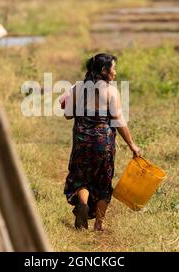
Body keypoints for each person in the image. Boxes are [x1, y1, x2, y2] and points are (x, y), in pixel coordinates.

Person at [63, 53, 141, 232]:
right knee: (103, 183)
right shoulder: (111, 91)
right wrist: (132, 145)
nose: (115, 71)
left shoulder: (78, 87)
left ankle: (82, 204)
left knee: (81, 178)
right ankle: (98, 224)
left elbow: (67, 114)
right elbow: (118, 121)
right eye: (113, 68)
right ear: (104, 70)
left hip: (82, 143)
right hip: (103, 144)